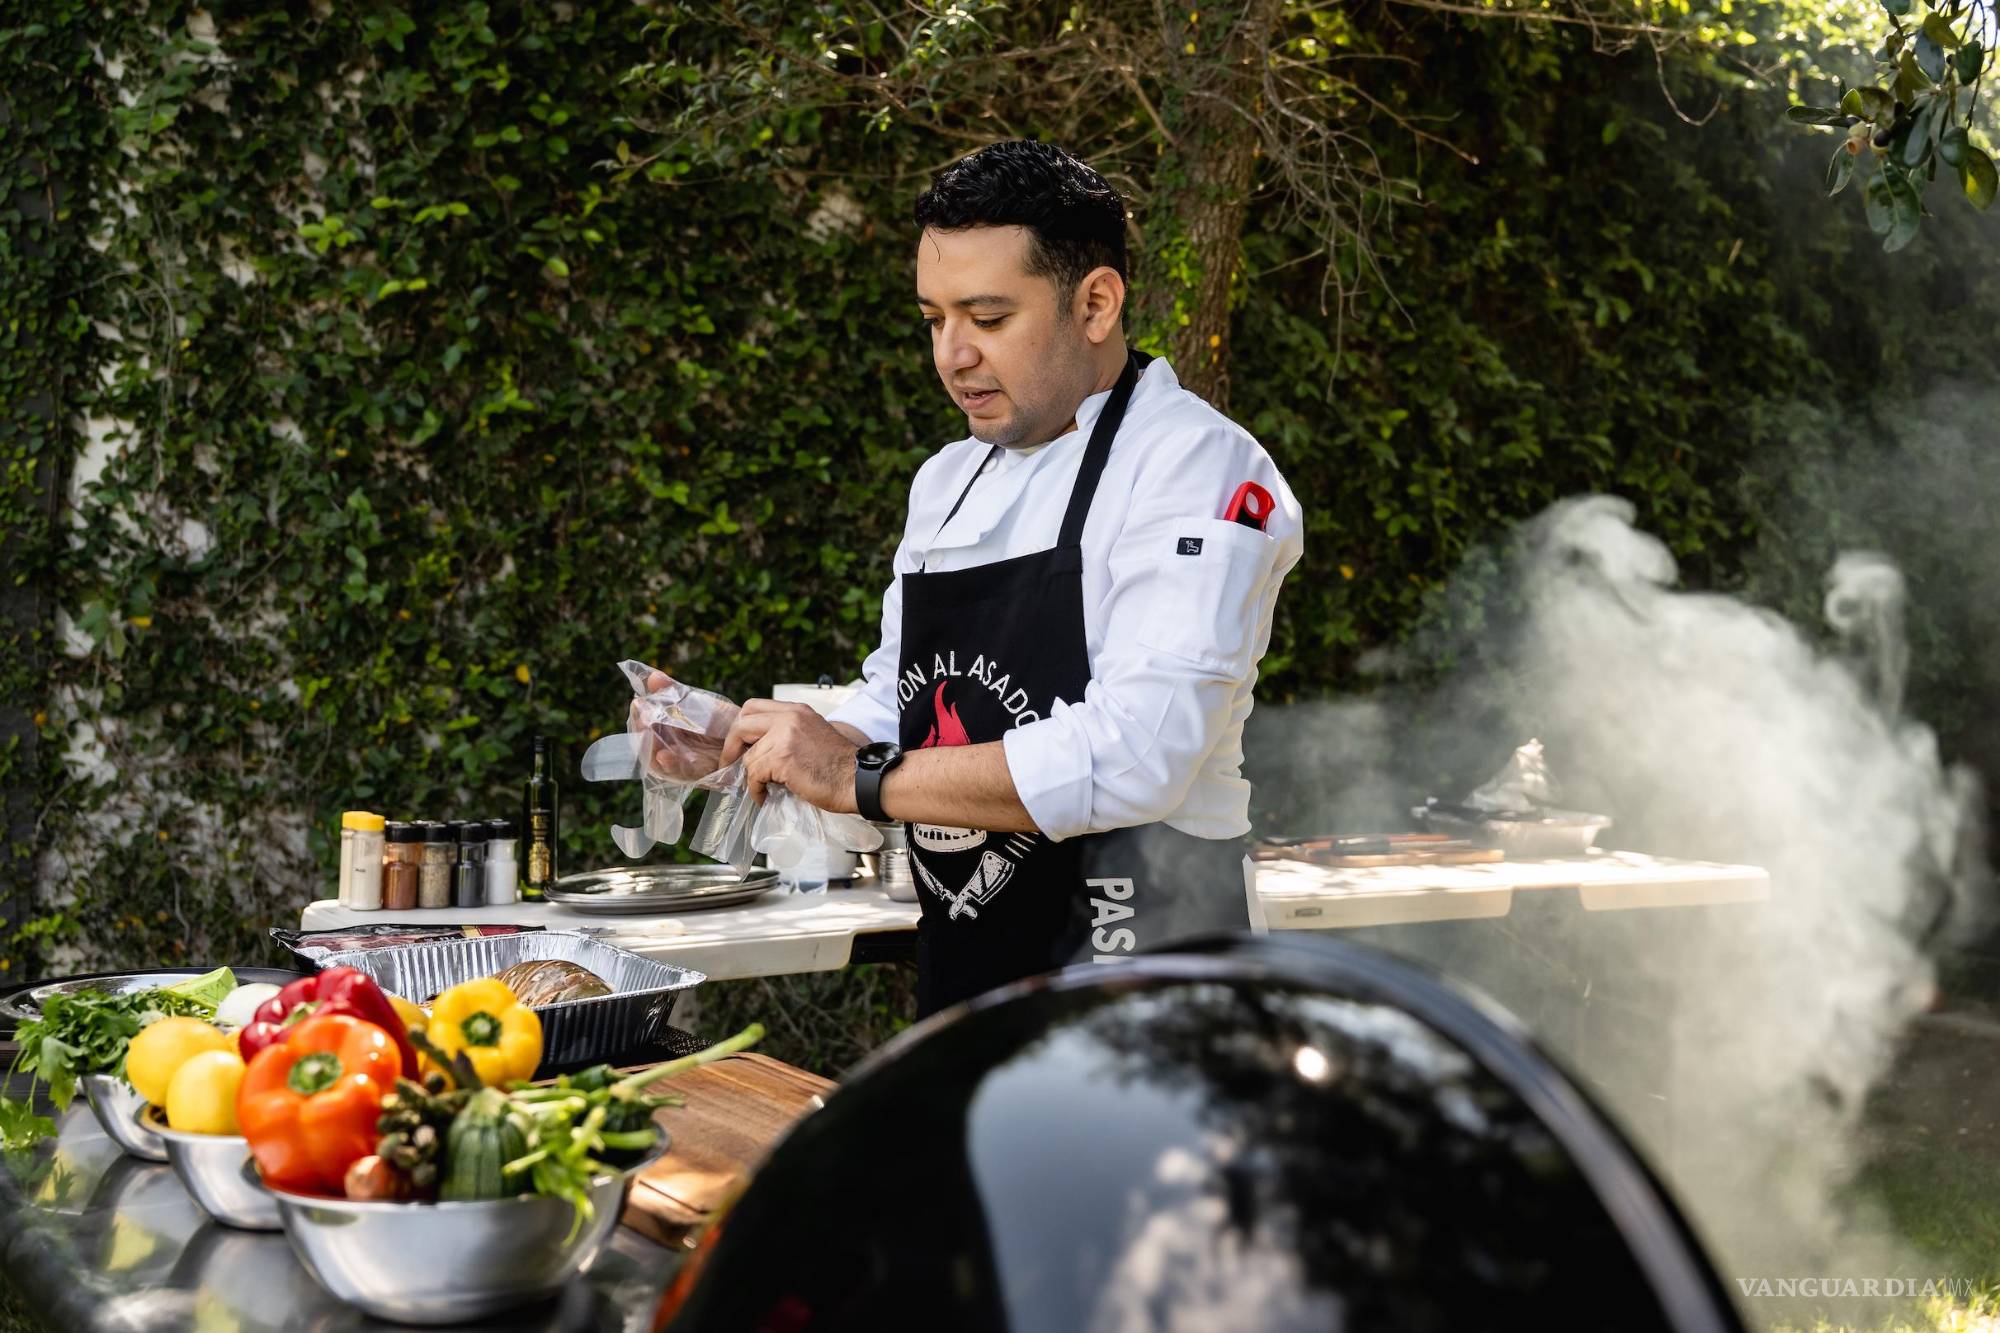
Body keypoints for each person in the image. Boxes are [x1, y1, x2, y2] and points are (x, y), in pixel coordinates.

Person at [715, 140, 1304, 1015]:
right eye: (933, 319)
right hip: (969, 980)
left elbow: (1139, 755)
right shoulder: (949, 480)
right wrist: (754, 745)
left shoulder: (1195, 466)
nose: (953, 355)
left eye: (988, 319)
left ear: (1096, 302)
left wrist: (860, 777)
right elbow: (900, 702)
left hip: (1146, 988)